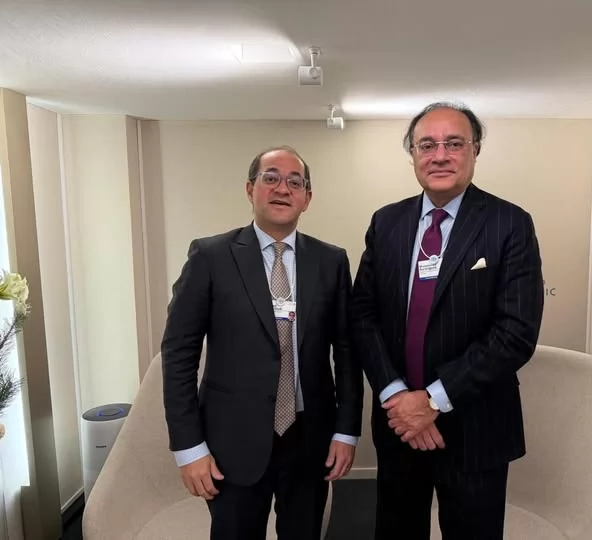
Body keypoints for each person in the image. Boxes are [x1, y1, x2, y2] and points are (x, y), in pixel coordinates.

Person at [351, 102, 544, 540]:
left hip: (475, 428)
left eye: (454, 143)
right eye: (427, 145)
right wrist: (398, 396)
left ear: (475, 151)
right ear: (413, 155)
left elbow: (515, 332)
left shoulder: (509, 223)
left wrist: (433, 401)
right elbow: (362, 314)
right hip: (399, 424)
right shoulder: (387, 222)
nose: (440, 155)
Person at [161, 146, 364, 540]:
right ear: (250, 189)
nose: (282, 189)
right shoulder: (210, 256)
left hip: (310, 439)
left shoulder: (331, 261)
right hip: (231, 442)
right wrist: (189, 448)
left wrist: (346, 431)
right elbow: (178, 354)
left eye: (295, 182)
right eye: (271, 178)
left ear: (307, 197)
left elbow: (347, 351)